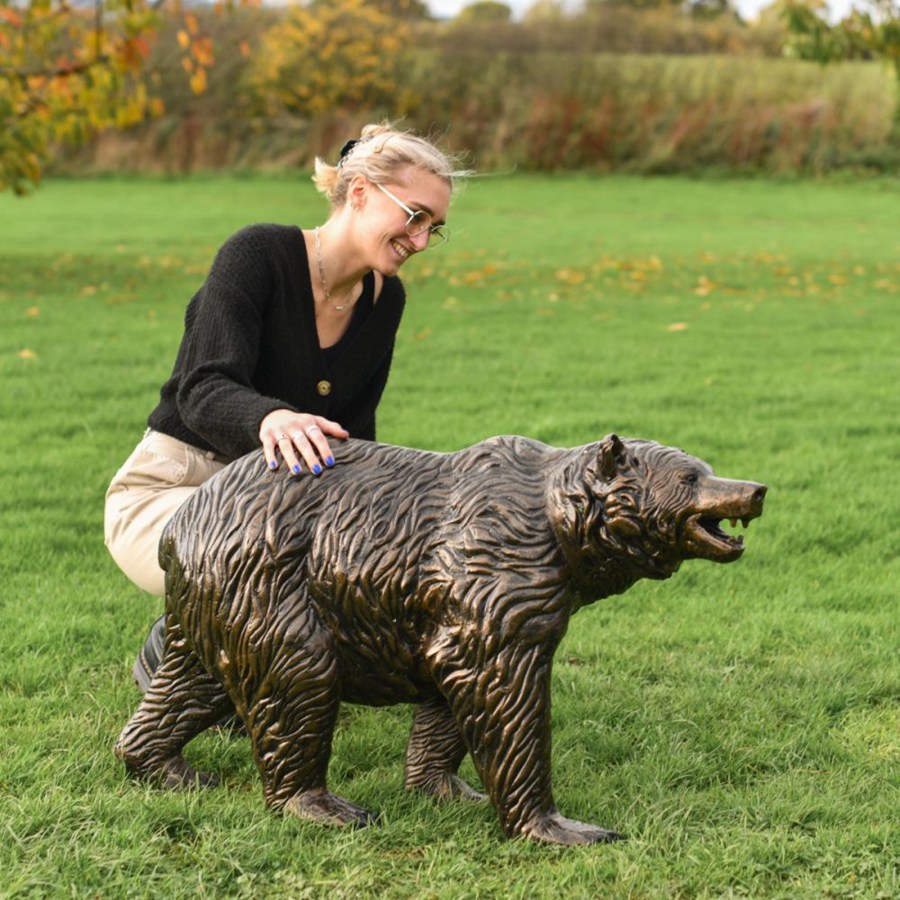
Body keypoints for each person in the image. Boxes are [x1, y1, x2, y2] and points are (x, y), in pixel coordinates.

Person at [104, 123, 467, 691]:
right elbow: (201, 388)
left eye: (434, 229)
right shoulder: (259, 255)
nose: (421, 241)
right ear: (361, 193)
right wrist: (270, 418)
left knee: (354, 563)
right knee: (265, 558)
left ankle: (236, 653)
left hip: (275, 505)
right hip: (175, 488)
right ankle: (180, 647)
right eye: (415, 216)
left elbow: (357, 433)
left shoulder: (383, 300)